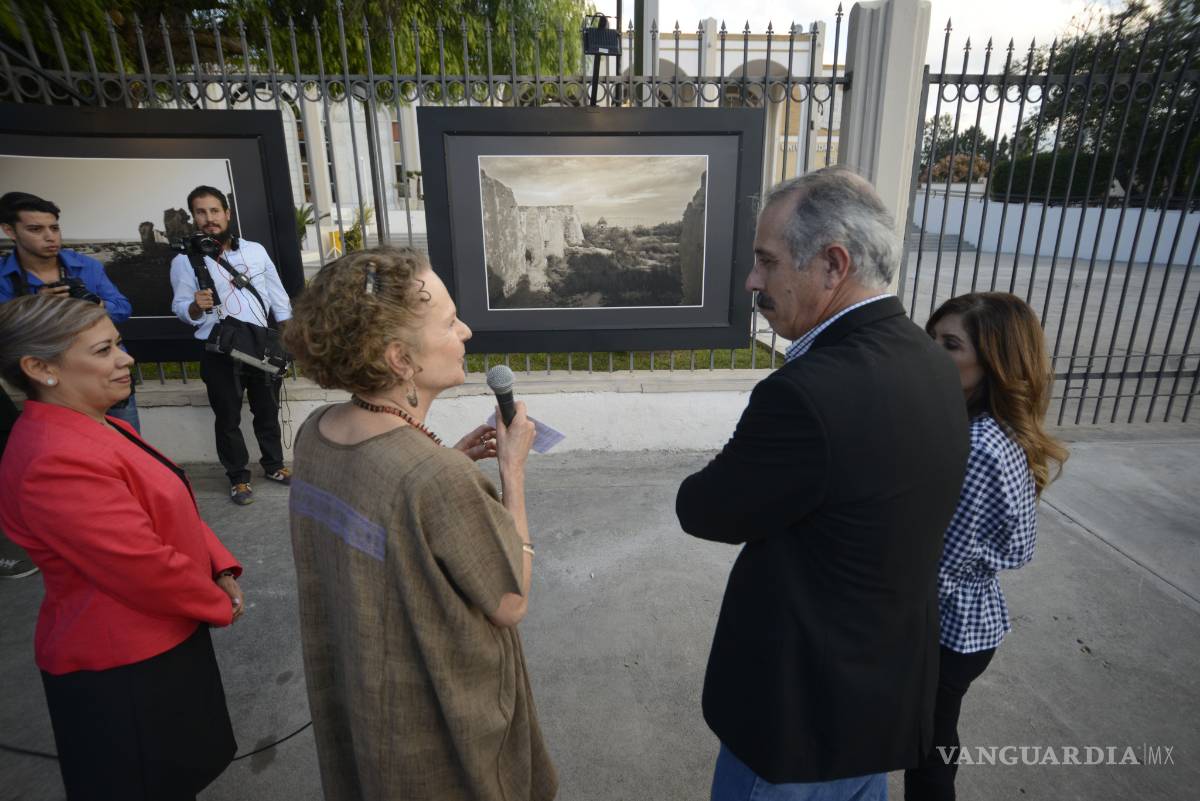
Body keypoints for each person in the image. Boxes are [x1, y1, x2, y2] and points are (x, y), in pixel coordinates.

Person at [676, 166, 971, 801]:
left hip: (799, 721)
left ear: (833, 265)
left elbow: (704, 509)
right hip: (879, 702)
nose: (753, 279)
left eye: (766, 260)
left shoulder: (808, 394)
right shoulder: (929, 359)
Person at [282, 247, 557, 801]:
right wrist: (513, 471)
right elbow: (509, 599)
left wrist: (448, 461)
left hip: (363, 693)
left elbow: (380, 517)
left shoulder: (315, 432)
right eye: (450, 321)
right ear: (401, 359)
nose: (466, 330)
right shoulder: (434, 478)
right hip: (430, 714)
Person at [0, 294, 244, 801]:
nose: (126, 359)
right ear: (40, 368)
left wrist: (219, 565)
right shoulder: (54, 458)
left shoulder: (96, 422)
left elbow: (170, 500)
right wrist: (215, 602)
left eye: (119, 345)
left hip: (161, 634)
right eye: (104, 350)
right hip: (123, 662)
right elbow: (140, 565)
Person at [905, 292, 1068, 801]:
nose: (932, 353)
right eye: (930, 338)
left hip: (948, 630)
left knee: (927, 752)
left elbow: (939, 566)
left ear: (994, 364)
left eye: (950, 345)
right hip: (961, 624)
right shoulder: (969, 425)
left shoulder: (978, 445)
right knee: (927, 742)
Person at [168, 184, 293, 506]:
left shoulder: (255, 251)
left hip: (260, 343)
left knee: (267, 410)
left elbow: (278, 296)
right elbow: (182, 308)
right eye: (201, 212)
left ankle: (274, 465)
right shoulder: (185, 261)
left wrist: (288, 337)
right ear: (193, 217)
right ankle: (238, 477)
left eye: (214, 210)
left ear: (227, 213)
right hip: (219, 349)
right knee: (227, 417)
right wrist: (195, 306)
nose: (209, 218)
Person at [0, 191, 140, 432]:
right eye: (35, 229)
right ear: (10, 231)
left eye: (54, 228)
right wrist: (36, 305)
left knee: (128, 446)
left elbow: (123, 308)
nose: (49, 237)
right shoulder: (4, 277)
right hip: (51, 385)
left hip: (106, 374)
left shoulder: (86, 266)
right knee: (67, 448)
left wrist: (95, 306)